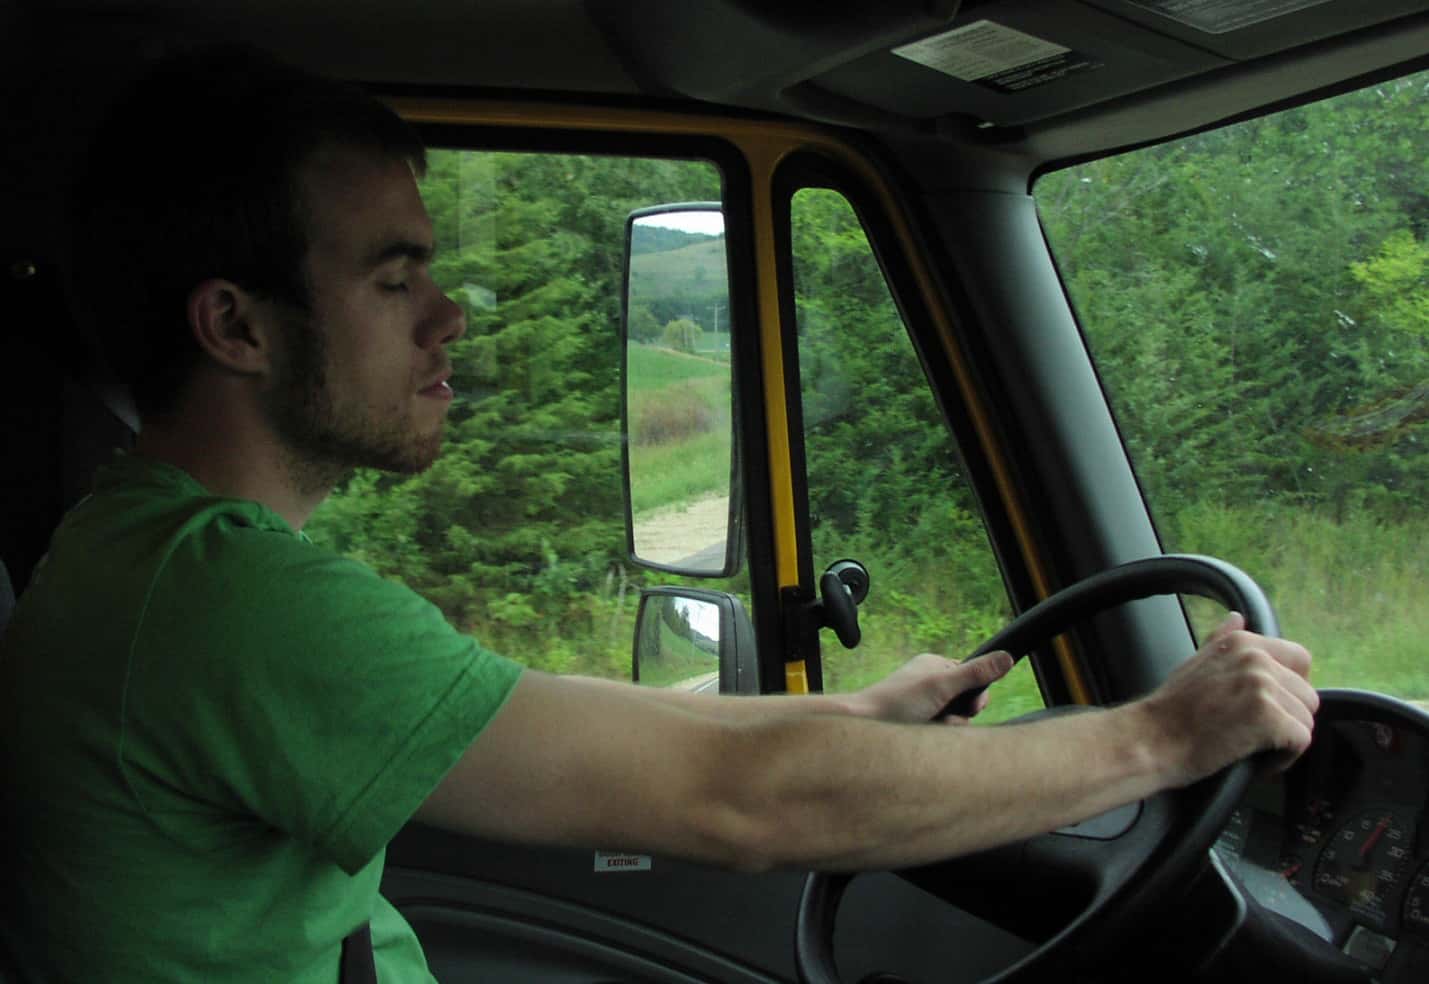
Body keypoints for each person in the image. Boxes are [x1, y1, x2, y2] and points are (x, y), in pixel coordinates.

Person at [0, 45, 1318, 983]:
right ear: (235, 326)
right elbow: (731, 804)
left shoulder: (148, 555)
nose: (450, 317)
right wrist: (1157, 736)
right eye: (394, 280)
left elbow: (541, 722)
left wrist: (856, 717)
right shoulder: (227, 602)